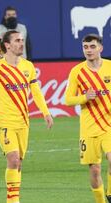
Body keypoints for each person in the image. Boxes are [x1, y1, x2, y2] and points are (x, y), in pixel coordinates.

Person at [0, 30, 53, 203]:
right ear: (7, 45)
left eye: (22, 40)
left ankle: (14, 197)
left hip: (23, 123)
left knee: (18, 162)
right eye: (17, 40)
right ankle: (12, 201)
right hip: (4, 122)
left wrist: (46, 112)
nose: (21, 43)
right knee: (12, 159)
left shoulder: (28, 66)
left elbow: (36, 91)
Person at [65, 34, 111, 203]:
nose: (89, 50)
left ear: (100, 48)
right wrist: (84, 97)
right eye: (85, 47)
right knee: (95, 170)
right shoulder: (77, 72)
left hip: (109, 125)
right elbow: (68, 99)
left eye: (92, 46)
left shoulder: (110, 67)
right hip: (89, 128)